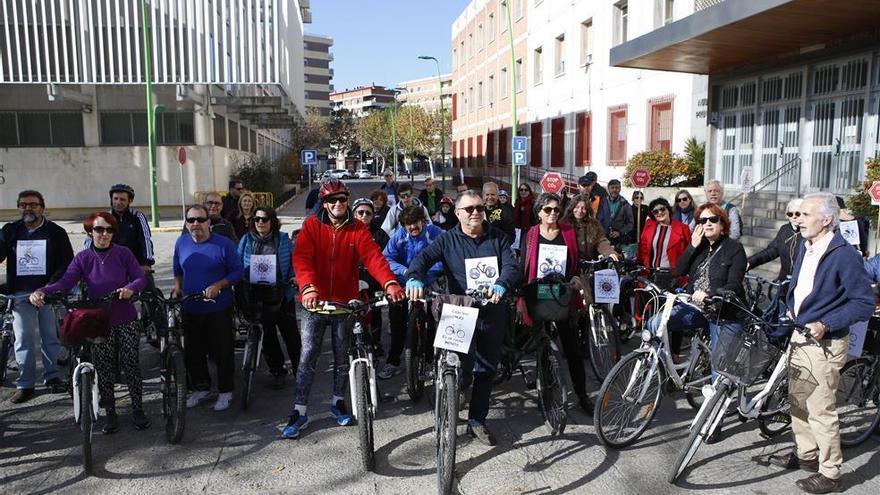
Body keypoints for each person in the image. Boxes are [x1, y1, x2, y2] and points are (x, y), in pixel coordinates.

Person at [768, 193, 873, 494]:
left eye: (804, 214)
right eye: (797, 214)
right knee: (798, 402)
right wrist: (793, 306)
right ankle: (807, 455)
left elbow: (862, 304)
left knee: (820, 408)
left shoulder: (843, 254)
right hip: (800, 333)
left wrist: (825, 324)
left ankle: (831, 473)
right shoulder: (806, 245)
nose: (797, 219)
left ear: (827, 220)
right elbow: (800, 284)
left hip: (824, 341)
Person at [284, 178, 405, 439]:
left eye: (342, 199)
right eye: (332, 200)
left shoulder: (358, 230)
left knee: (342, 358)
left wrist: (390, 282)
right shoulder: (312, 226)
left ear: (347, 200)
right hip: (314, 302)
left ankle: (338, 402)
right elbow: (301, 258)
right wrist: (308, 287)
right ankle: (299, 410)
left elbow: (374, 257)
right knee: (308, 357)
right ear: (324, 203)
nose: (338, 203)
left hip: (344, 303)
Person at [406, 191, 520, 446]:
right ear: (458, 213)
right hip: (459, 311)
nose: (475, 212)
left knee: (487, 369)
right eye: (469, 209)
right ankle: (456, 392)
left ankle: (477, 420)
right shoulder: (447, 240)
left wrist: (502, 283)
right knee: (462, 367)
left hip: (491, 311)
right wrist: (414, 276)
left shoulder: (498, 238)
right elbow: (422, 259)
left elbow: (512, 266)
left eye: (479, 207)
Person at [31, 212, 149, 432]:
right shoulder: (83, 258)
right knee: (103, 368)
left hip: (125, 317)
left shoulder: (123, 253)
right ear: (90, 231)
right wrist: (41, 291)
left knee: (130, 363)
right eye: (99, 229)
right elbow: (65, 283)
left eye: (109, 230)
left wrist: (130, 289)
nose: (104, 234)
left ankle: (137, 409)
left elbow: (140, 278)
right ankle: (110, 413)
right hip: (99, 320)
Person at [672, 203, 748, 442]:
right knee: (655, 325)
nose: (707, 224)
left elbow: (735, 283)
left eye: (712, 220)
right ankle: (662, 372)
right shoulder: (700, 246)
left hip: (724, 312)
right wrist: (692, 246)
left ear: (723, 224)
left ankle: (715, 421)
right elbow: (679, 270)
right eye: (702, 220)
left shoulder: (734, 249)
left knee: (718, 367)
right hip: (698, 309)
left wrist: (713, 292)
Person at [520, 192, 594, 414]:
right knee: (541, 344)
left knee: (571, 347)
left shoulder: (569, 232)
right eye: (548, 210)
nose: (553, 214)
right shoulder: (531, 235)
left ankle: (582, 395)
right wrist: (521, 295)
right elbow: (524, 266)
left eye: (556, 210)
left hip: (562, 294)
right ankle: (546, 391)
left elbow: (575, 262)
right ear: (539, 212)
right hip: (538, 293)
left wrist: (575, 278)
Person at [0, 190, 74, 403]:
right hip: (21, 294)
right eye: (23, 205)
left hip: (47, 295)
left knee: (50, 337)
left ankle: (52, 377)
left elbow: (66, 263)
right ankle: (26, 384)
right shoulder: (11, 230)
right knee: (23, 340)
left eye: (33, 205)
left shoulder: (56, 232)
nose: (28, 209)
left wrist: (49, 288)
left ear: (42, 207)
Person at [173, 204, 244, 412]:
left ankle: (225, 391)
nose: (196, 224)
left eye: (200, 219)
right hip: (190, 307)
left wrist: (219, 285)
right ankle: (201, 388)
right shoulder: (182, 242)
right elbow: (178, 269)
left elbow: (237, 271)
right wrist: (177, 288)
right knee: (193, 352)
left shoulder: (223, 244)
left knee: (221, 350)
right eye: (191, 220)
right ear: (186, 223)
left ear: (209, 222)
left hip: (218, 308)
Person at [236, 206, 301, 390]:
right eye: (257, 219)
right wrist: (241, 278)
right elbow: (237, 262)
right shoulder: (246, 240)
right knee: (267, 336)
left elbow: (294, 262)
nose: (260, 223)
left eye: (264, 219)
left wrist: (293, 277)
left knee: (291, 335)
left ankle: (300, 370)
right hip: (257, 296)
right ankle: (278, 370)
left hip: (282, 293)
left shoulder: (282, 239)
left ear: (272, 221)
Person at [378, 206, 444, 380]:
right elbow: (387, 258)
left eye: (415, 223)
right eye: (408, 224)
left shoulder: (436, 233)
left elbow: (446, 256)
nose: (412, 227)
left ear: (423, 220)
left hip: (429, 282)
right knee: (397, 322)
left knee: (432, 321)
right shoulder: (399, 236)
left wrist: (425, 273)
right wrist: (405, 272)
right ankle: (393, 361)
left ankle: (429, 360)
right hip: (403, 283)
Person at [352, 197, 391, 356]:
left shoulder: (380, 233)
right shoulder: (346, 231)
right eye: (360, 212)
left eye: (368, 213)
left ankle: (376, 342)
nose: (364, 215)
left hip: (373, 278)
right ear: (354, 213)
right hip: (352, 278)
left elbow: (387, 256)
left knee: (375, 311)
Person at [101, 184, 155, 283]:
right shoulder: (104, 218)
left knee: (150, 294)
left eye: (122, 199)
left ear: (130, 201)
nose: (118, 202)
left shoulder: (138, 217)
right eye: (115, 199)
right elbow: (92, 241)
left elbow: (146, 240)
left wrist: (147, 263)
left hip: (136, 265)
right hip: (109, 266)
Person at [638, 198, 691, 287]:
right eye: (655, 211)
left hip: (673, 277)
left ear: (668, 209)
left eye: (662, 209)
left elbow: (689, 252)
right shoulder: (649, 226)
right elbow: (642, 250)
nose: (659, 213)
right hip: (651, 274)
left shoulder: (683, 228)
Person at [747, 198, 803, 281]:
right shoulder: (784, 229)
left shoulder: (809, 233)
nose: (794, 216)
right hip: (784, 282)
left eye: (798, 214)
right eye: (790, 214)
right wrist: (750, 262)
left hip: (802, 283)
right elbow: (772, 251)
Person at [561, 194, 617, 261]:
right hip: (570, 265)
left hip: (590, 265)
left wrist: (609, 252)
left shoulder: (594, 224)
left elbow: (601, 241)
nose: (580, 210)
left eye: (583, 208)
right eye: (577, 207)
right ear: (572, 208)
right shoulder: (563, 224)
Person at [606, 179, 634, 247]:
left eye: (617, 187)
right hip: (604, 238)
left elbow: (630, 223)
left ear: (620, 189)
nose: (614, 190)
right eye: (612, 188)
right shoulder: (603, 202)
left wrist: (620, 232)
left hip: (619, 240)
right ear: (608, 189)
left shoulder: (625, 204)